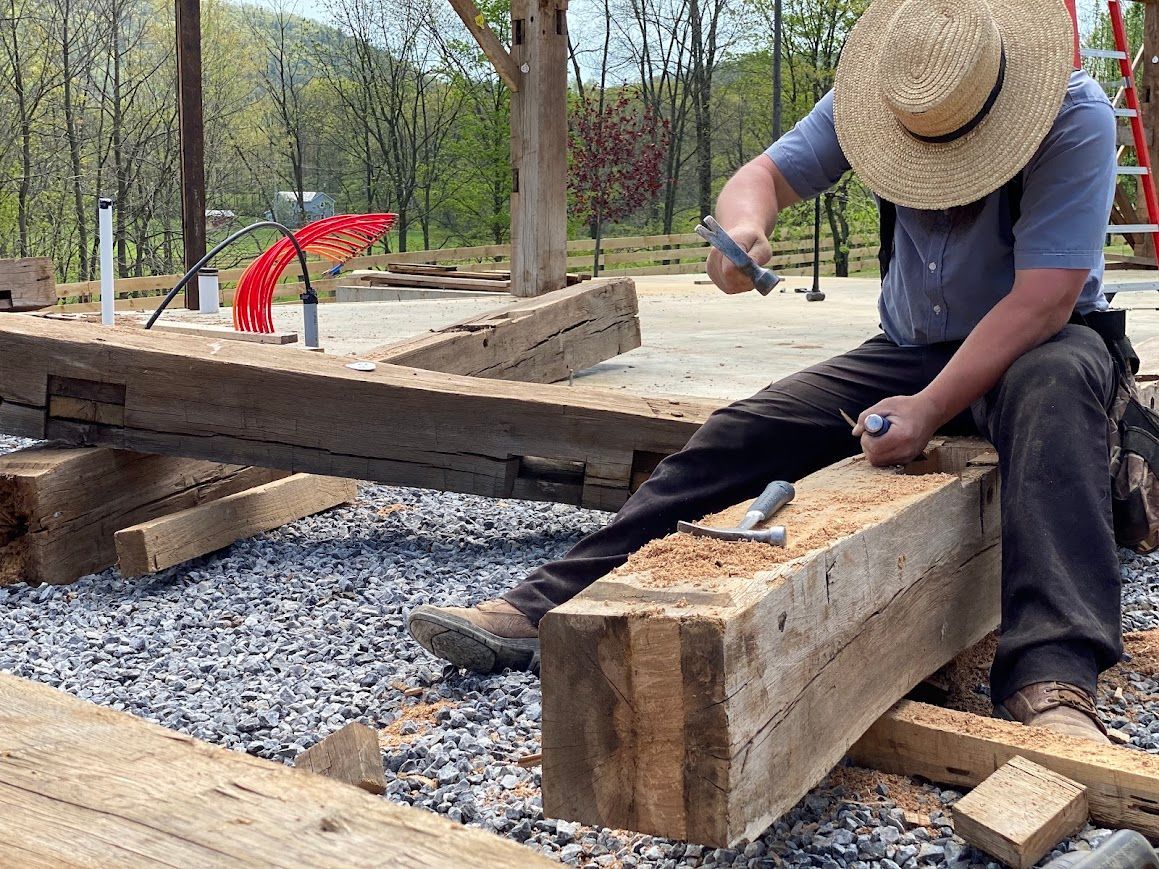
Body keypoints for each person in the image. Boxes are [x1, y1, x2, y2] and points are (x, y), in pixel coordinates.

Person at [408, 0, 1120, 743]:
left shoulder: (1073, 114)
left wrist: (927, 408)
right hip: (911, 345)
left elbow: (1044, 297)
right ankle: (545, 603)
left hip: (1044, 338)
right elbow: (762, 177)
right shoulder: (889, 91)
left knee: (1053, 393)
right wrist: (742, 230)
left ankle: (1052, 679)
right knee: (744, 429)